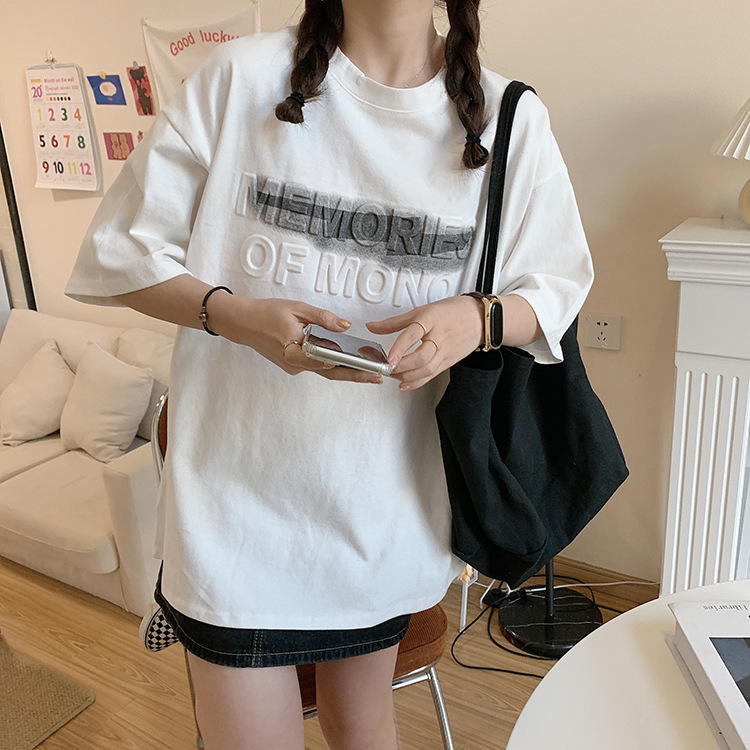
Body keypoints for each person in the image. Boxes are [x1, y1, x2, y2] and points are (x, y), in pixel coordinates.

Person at [65, 0, 593, 747]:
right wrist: (235, 316)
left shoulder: (508, 117)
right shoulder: (240, 79)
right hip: (231, 512)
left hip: (383, 513)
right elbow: (120, 253)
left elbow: (560, 286)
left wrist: (476, 319)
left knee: (361, 723)